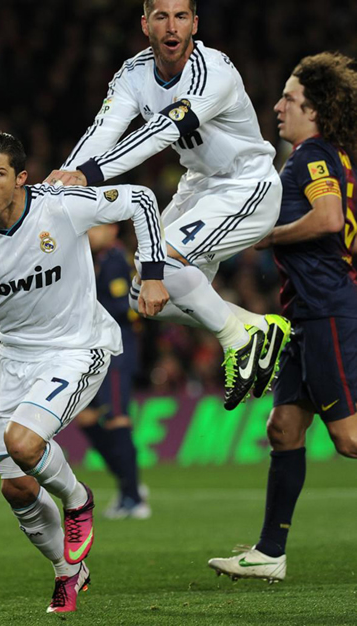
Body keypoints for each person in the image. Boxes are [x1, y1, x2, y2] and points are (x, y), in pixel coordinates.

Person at [0, 132, 168, 613]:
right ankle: (68, 572)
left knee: (24, 442)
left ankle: (78, 500)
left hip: (78, 347)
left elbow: (141, 198)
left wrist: (153, 273)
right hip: (16, 359)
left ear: (21, 179)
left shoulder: (60, 206)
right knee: (15, 485)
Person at [45, 0, 291, 410]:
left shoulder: (213, 72)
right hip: (200, 186)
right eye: (161, 16)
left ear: (195, 23)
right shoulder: (133, 74)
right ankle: (255, 327)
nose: (171, 26)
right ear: (146, 25)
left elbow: (161, 131)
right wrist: (64, 182)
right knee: (144, 290)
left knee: (166, 265)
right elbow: (102, 131)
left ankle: (236, 341)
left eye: (181, 16)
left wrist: (89, 175)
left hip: (247, 186)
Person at [208, 52, 357, 582]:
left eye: (290, 99)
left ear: (314, 110)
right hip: (304, 313)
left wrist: (266, 236)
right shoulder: (322, 155)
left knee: (349, 439)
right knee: (284, 427)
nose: (277, 107)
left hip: (326, 312)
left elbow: (328, 217)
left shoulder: (314, 155)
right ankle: (271, 553)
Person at [76, 223, 150, 520]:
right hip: (94, 351)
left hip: (115, 351)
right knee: (86, 418)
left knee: (118, 418)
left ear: (110, 229)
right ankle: (127, 481)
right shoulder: (97, 259)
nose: (89, 234)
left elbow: (126, 306)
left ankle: (133, 497)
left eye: (93, 229)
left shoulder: (117, 260)